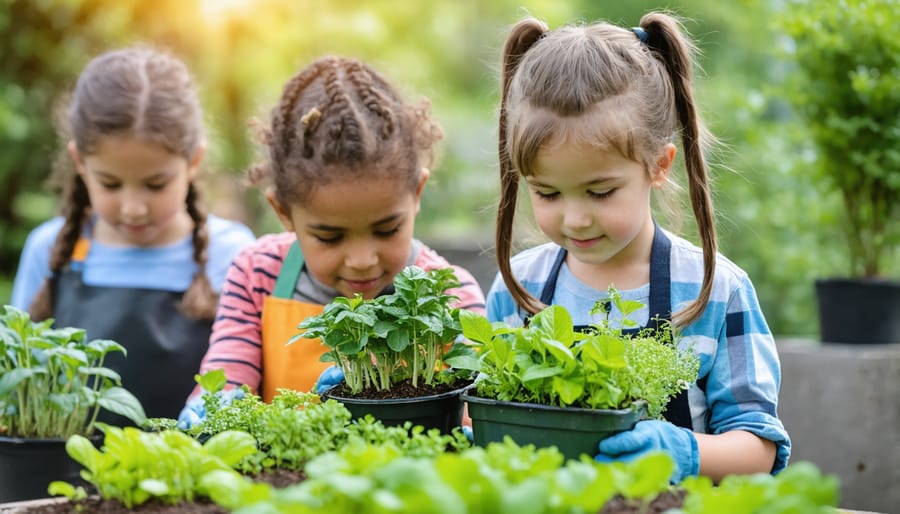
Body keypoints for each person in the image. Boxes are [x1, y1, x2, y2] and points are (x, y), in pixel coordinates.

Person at [487, 14, 790, 483]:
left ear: (658, 165)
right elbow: (480, 421)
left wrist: (684, 450)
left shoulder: (715, 292)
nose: (575, 218)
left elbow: (759, 450)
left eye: (600, 191)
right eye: (547, 193)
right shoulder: (518, 289)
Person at [179, 56, 486, 423]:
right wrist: (214, 408)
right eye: (330, 236)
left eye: (386, 229)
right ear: (283, 212)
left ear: (417, 193)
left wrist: (472, 423)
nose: (361, 259)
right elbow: (227, 380)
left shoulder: (451, 295)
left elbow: (475, 405)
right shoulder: (256, 275)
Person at [10, 47, 256, 421]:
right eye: (110, 184)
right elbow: (18, 376)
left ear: (193, 162)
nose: (134, 207)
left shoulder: (232, 253)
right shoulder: (50, 249)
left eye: (156, 184)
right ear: (80, 163)